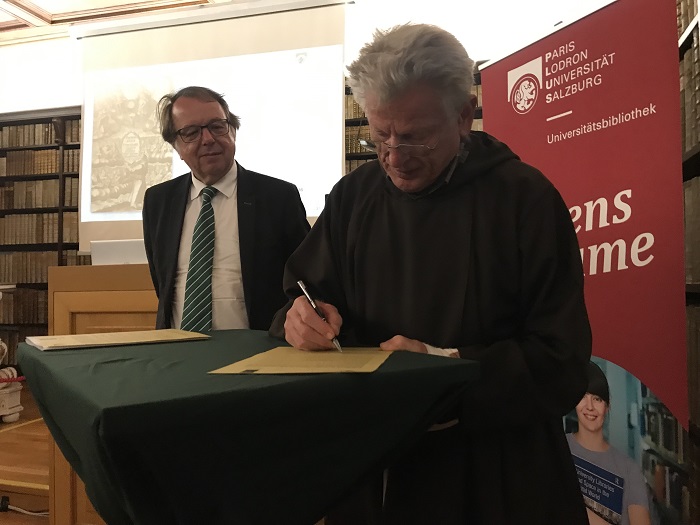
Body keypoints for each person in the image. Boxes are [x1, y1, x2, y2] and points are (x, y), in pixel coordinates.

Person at [269, 23, 592, 525]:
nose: (394, 158)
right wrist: (299, 319)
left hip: (494, 473)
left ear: (463, 115)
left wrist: (442, 368)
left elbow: (561, 359)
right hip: (374, 466)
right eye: (379, 135)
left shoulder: (524, 199)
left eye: (415, 137)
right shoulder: (355, 196)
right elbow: (306, 295)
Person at [143, 86, 310, 331]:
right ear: (176, 146)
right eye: (191, 132)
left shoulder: (278, 197)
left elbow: (304, 281)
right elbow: (163, 283)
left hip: (259, 346)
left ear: (232, 130)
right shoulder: (158, 201)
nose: (208, 139)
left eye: (217, 126)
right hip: (178, 346)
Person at [567, 362, 652, 525]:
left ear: (607, 405)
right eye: (583, 397)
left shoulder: (629, 470)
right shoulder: (557, 449)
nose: (590, 407)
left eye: (597, 399)